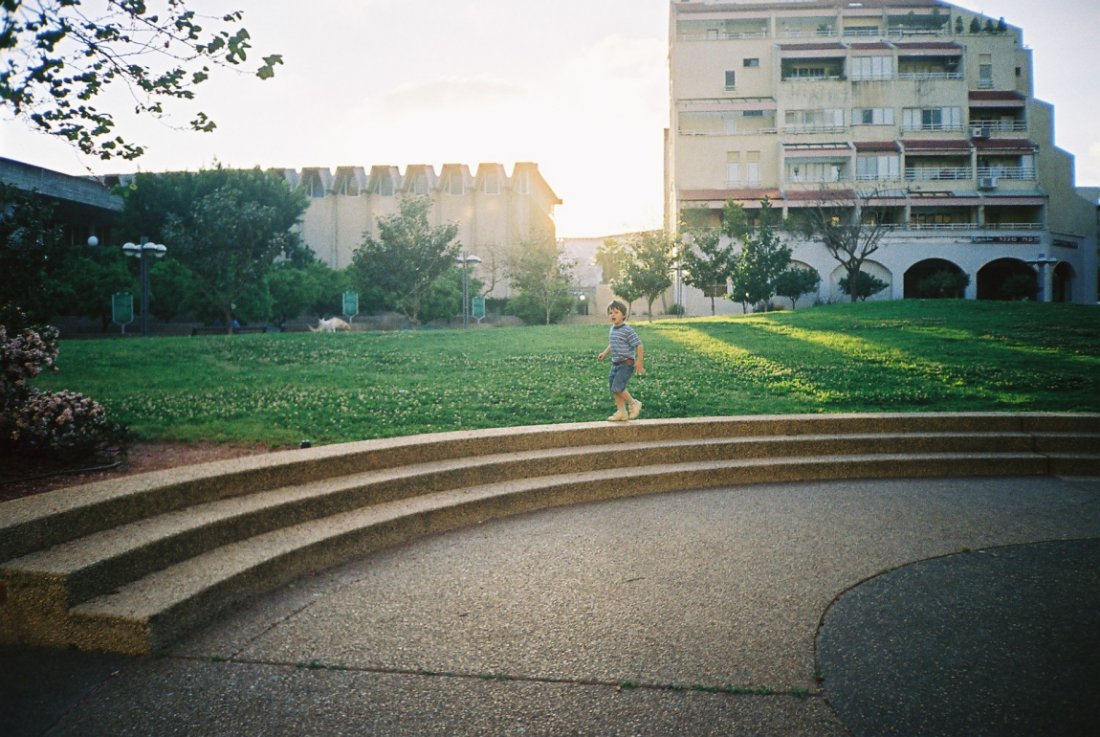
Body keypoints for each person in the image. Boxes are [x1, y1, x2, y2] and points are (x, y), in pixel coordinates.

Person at [597, 299, 645, 422]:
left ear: (623, 315)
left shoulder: (627, 330)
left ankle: (634, 403)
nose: (612, 315)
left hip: (626, 364)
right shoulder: (613, 329)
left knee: (618, 388)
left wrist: (639, 362)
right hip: (615, 364)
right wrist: (605, 353)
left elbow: (639, 345)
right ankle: (622, 412)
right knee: (614, 389)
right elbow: (612, 343)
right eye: (610, 313)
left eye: (616, 312)